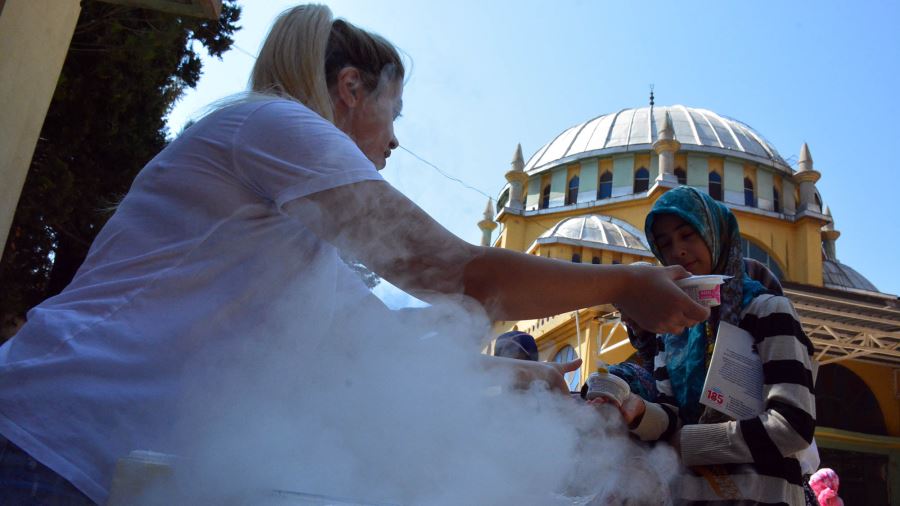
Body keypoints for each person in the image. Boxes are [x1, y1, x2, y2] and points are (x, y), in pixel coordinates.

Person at [0, 5, 709, 504]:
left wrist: (523, 383)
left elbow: (387, 346)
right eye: (393, 115)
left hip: (101, 469)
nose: (394, 143)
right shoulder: (272, 123)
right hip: (43, 436)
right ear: (349, 90)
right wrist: (619, 282)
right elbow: (451, 272)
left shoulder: (302, 246)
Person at [592, 186, 816, 504]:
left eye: (688, 235)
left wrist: (687, 443)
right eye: (665, 243)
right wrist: (638, 413)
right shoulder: (672, 332)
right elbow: (672, 415)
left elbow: (792, 426)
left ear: (713, 234)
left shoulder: (767, 310)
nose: (678, 251)